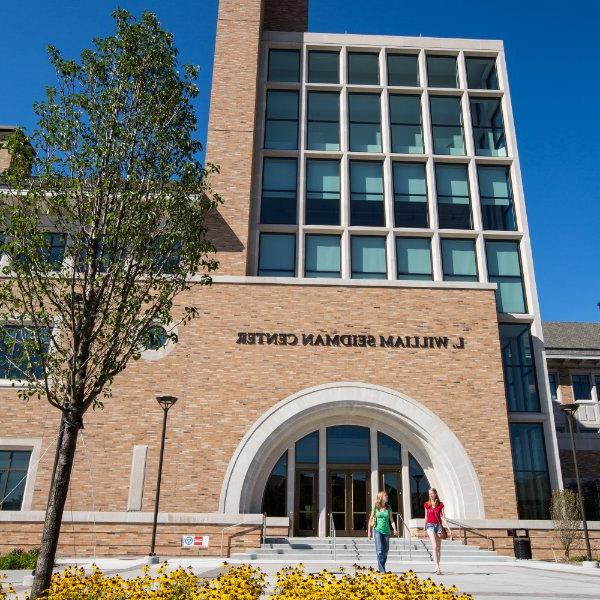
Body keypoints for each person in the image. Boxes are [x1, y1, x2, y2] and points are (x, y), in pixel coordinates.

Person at [423, 487, 452, 575]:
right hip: (430, 526)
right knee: (435, 546)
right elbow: (426, 517)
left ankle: (438, 566)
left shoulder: (440, 504)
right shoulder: (427, 504)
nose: (430, 495)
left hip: (439, 526)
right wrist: (424, 528)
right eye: (429, 494)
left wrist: (448, 529)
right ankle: (437, 567)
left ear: (435, 494)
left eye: (432, 493)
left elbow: (443, 517)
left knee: (438, 548)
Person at [368, 490, 397, 573]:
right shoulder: (376, 507)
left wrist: (394, 529)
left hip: (387, 531)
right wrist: (369, 532)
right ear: (381, 497)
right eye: (385, 495)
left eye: (387, 495)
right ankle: (382, 569)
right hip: (377, 530)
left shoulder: (388, 508)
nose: (387, 496)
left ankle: (382, 566)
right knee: (380, 550)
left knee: (385, 551)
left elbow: (391, 520)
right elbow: (370, 519)